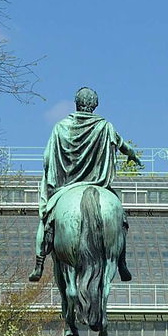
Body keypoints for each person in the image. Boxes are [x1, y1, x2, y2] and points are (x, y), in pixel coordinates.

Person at [32, 87, 142, 282]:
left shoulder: (60, 127)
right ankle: (122, 263)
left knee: (45, 218)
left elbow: (47, 158)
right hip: (99, 184)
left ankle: (38, 264)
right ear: (95, 105)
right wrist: (133, 155)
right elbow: (124, 145)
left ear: (76, 103)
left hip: (65, 187)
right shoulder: (105, 126)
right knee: (120, 220)